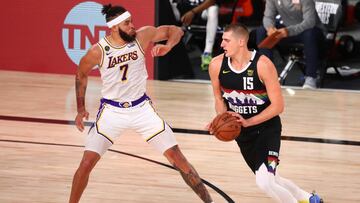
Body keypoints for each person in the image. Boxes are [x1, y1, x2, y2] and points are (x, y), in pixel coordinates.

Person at [69, 4, 214, 203]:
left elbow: (176, 30)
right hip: (112, 111)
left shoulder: (142, 36)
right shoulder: (98, 51)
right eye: (127, 23)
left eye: (131, 21)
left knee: (177, 157)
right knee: (86, 163)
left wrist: (168, 46)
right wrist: (80, 109)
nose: (132, 26)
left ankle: (210, 202)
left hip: (141, 109)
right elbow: (80, 74)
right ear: (113, 27)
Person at [208, 23, 323, 203]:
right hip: (243, 134)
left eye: (226, 40)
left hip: (267, 130)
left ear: (241, 42)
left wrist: (249, 121)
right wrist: (221, 118)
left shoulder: (263, 65)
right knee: (272, 179)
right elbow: (218, 99)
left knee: (264, 182)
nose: (221, 44)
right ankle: (309, 198)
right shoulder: (216, 65)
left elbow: (278, 106)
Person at [255, 0, 325, 89]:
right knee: (261, 31)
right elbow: (268, 17)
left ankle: (311, 78)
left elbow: (309, 22)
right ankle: (266, 76)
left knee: (309, 34)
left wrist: (289, 31)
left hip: (311, 31)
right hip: (288, 30)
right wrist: (270, 28)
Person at [169, 0, 219, 70]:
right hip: (184, 10)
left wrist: (192, 12)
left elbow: (211, 1)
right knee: (166, 6)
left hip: (202, 10)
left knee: (213, 9)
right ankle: (169, 50)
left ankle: (207, 53)